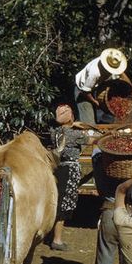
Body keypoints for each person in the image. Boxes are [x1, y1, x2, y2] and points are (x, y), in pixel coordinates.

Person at [50, 104, 89, 250]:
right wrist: (80, 127)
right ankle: (57, 240)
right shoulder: (75, 135)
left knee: (59, 200)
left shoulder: (55, 132)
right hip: (70, 170)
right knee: (65, 204)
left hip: (59, 168)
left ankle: (54, 236)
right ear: (71, 117)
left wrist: (72, 125)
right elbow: (92, 140)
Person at [91, 147, 122, 264]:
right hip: (127, 214)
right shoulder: (128, 168)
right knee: (128, 262)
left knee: (104, 258)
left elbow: (96, 150)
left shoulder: (99, 163)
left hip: (108, 211)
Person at [74, 48, 132, 125]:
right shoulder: (95, 73)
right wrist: (95, 102)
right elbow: (85, 92)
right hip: (83, 92)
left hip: (96, 88)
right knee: (89, 124)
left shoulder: (112, 61)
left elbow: (121, 74)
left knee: (103, 120)